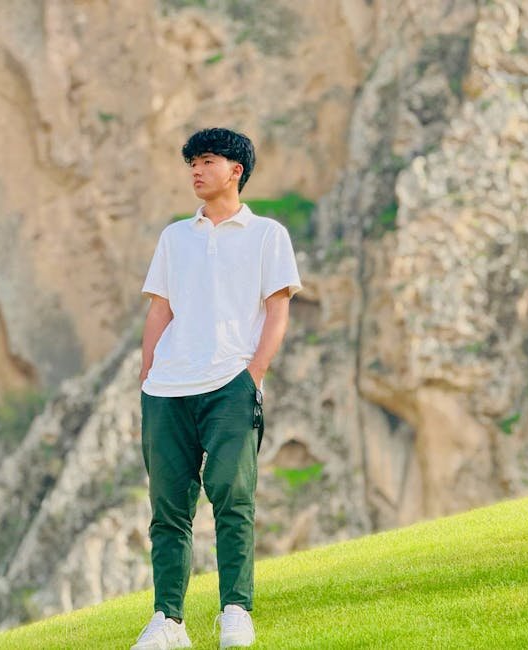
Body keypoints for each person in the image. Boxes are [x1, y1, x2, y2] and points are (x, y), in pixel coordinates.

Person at [132, 128, 302, 649]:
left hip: (230, 382)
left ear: (236, 171)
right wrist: (147, 374)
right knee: (168, 508)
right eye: (191, 163)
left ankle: (235, 612)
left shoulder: (267, 234)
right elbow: (160, 308)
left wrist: (254, 373)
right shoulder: (174, 237)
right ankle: (168, 622)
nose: (196, 171)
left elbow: (278, 309)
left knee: (233, 495)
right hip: (167, 390)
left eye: (207, 161)